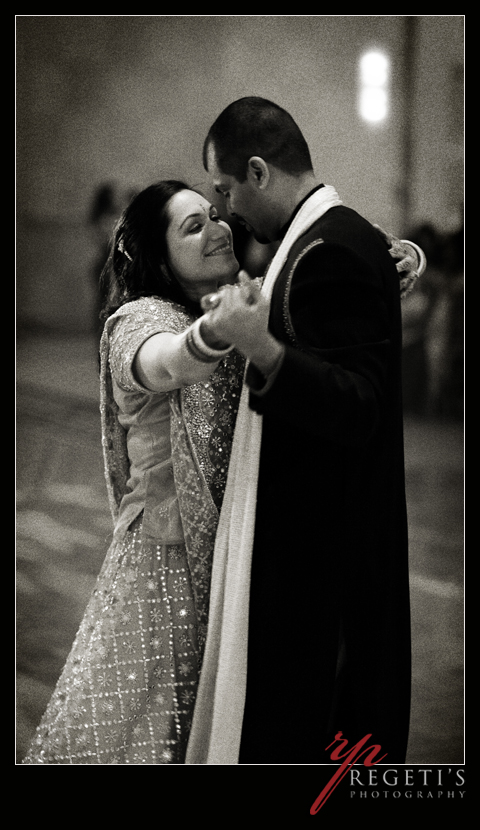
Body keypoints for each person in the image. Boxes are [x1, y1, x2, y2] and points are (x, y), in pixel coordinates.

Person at [185, 97, 426, 765]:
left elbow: (360, 406)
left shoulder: (332, 248)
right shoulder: (318, 240)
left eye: (227, 190)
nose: (228, 210)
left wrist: (262, 349)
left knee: (319, 740)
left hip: (332, 563)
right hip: (316, 545)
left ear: (259, 172)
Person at [21, 180, 246, 764]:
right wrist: (215, 333)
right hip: (162, 561)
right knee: (138, 732)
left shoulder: (234, 305)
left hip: (227, 555)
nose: (216, 229)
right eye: (191, 227)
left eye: (215, 217)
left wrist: (391, 263)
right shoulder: (138, 321)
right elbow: (164, 362)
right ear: (158, 254)